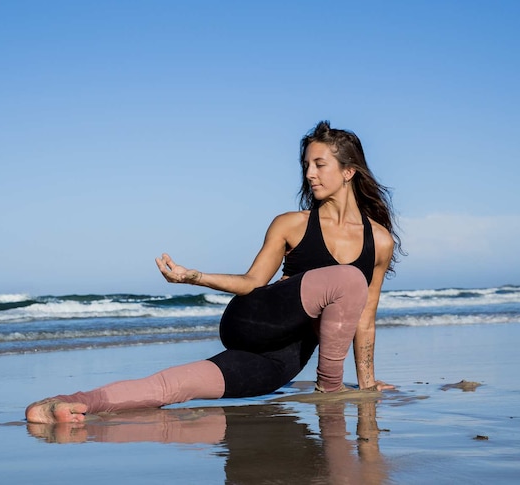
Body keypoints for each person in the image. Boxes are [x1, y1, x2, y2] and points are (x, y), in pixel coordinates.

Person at [26, 121, 402, 424]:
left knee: (176, 385)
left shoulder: (379, 241)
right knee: (347, 278)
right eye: (306, 164)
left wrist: (367, 386)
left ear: (349, 171)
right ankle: (330, 394)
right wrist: (193, 277)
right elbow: (252, 282)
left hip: (281, 358)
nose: (310, 174)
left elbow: (364, 318)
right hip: (254, 318)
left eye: (320, 164)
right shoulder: (293, 224)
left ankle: (69, 404)